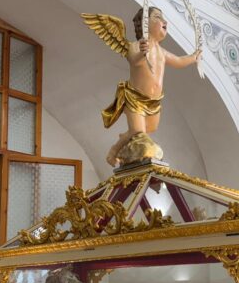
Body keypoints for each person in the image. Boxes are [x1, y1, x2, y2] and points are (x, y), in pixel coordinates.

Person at [83, 8, 201, 166]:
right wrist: (141, 54)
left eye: (163, 18)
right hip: (135, 98)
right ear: (145, 23)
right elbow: (133, 60)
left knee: (147, 129)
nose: (164, 21)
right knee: (138, 132)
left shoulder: (162, 52)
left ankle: (125, 141)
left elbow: (179, 61)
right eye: (158, 17)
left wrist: (193, 57)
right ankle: (113, 152)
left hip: (153, 102)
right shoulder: (136, 46)